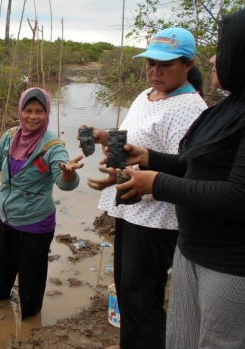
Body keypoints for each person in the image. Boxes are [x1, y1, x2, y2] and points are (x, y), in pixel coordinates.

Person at [114, 6, 245, 348]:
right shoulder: (230, 108)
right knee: (179, 334)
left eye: (223, 49)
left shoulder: (210, 109)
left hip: (231, 264)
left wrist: (155, 182)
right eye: (150, 62)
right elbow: (195, 164)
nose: (215, 59)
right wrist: (147, 157)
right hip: (191, 249)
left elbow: (244, 195)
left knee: (152, 305)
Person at [83, 28, 208, 349]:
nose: (155, 71)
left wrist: (144, 167)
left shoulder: (191, 109)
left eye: (165, 65)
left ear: (187, 65)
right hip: (129, 208)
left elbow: (187, 166)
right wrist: (104, 137)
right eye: (151, 63)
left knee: (142, 298)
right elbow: (133, 143)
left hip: (156, 218)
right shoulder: (146, 95)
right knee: (127, 292)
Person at [0, 87, 83, 319]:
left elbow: (66, 183)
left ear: (47, 114)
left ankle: (30, 323)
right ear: (21, 111)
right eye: (28, 110)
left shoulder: (53, 146)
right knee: (3, 272)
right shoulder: (9, 136)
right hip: (6, 219)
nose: (33, 116)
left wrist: (67, 173)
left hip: (35, 223)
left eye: (40, 111)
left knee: (31, 279)